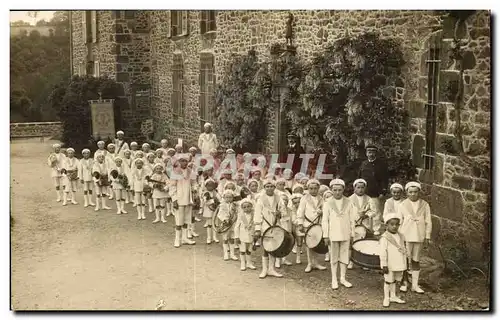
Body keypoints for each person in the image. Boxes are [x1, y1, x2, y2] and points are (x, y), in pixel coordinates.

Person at [398, 181, 432, 294]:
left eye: (415, 192)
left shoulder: (425, 205)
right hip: (406, 236)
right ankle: (404, 282)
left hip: (419, 236)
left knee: (415, 260)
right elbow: (399, 221)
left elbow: (428, 221)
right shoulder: (402, 205)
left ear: (419, 192)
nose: (413, 194)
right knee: (405, 259)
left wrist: (427, 236)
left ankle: (415, 284)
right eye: (410, 192)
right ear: (407, 193)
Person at [322, 179, 355, 290]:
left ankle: (343, 278)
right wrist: (325, 235)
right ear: (331, 190)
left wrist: (352, 234)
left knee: (344, 256)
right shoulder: (327, 203)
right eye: (335, 190)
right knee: (334, 257)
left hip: (345, 233)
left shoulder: (348, 202)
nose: (337, 192)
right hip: (333, 234)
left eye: (339, 190)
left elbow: (352, 220)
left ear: (343, 190)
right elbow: (324, 220)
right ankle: (334, 279)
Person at [254, 179, 287, 279]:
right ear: (264, 188)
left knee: (274, 247)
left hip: (276, 225)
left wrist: (280, 214)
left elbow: (284, 211)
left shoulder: (279, 198)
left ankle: (271, 269)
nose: (269, 188)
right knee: (266, 248)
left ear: (274, 187)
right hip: (265, 225)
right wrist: (257, 228)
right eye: (267, 186)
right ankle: (264, 269)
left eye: (271, 186)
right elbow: (257, 213)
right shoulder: (261, 199)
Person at [296, 179, 327, 273]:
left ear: (318, 188)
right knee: (309, 244)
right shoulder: (304, 198)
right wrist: (300, 223)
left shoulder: (322, 198)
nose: (313, 190)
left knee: (316, 243)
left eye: (315, 188)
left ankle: (316, 263)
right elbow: (300, 211)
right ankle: (310, 263)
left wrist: (322, 212)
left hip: (318, 224)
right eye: (311, 188)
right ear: (308, 189)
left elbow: (326, 210)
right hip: (307, 224)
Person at [357, 145, 389, 236]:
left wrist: (383, 191)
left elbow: (384, 179)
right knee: (364, 210)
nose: (370, 154)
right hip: (364, 192)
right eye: (369, 152)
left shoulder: (381, 165)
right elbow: (359, 177)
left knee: (376, 211)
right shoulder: (364, 164)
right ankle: (365, 227)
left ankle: (376, 228)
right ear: (366, 153)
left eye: (372, 152)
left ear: (375, 153)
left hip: (375, 192)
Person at [348, 179, 378, 269]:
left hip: (365, 224)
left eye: (362, 187)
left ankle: (364, 261)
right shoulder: (350, 199)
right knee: (352, 242)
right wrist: (356, 216)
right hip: (354, 223)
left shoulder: (369, 199)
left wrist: (366, 215)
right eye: (358, 187)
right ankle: (351, 261)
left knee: (365, 241)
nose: (360, 190)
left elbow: (374, 211)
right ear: (354, 188)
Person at [380, 212, 408, 307]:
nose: (394, 226)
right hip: (390, 264)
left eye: (396, 224)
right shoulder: (385, 238)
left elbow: (403, 249)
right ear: (387, 225)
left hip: (398, 263)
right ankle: (386, 297)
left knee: (395, 280)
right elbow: (383, 252)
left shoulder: (401, 236)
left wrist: (404, 264)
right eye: (392, 224)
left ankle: (393, 296)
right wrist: (384, 264)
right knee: (388, 280)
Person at [170, 155, 197, 247]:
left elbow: (194, 183)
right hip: (179, 198)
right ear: (178, 162)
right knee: (179, 220)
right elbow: (172, 186)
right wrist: (174, 199)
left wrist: (195, 190)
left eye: (185, 161)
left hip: (188, 198)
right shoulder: (175, 172)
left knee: (186, 219)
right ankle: (177, 239)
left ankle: (185, 238)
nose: (184, 163)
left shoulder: (191, 171)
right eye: (182, 161)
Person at [234, 198, 257, 271]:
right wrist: (236, 237)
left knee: (249, 250)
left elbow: (256, 224)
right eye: (244, 207)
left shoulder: (254, 215)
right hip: (242, 236)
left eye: (248, 206)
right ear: (242, 208)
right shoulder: (241, 216)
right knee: (242, 250)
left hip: (251, 235)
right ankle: (243, 263)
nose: (246, 208)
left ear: (251, 206)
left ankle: (249, 263)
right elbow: (236, 227)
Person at [218, 189, 239, 261]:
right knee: (225, 238)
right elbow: (220, 214)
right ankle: (226, 253)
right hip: (225, 224)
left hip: (233, 223)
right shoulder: (222, 205)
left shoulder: (235, 205)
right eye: (226, 197)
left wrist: (234, 219)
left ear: (233, 198)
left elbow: (237, 213)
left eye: (230, 197)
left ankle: (232, 254)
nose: (228, 199)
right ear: (224, 198)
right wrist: (225, 220)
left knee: (232, 238)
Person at [275, 192, 294, 268]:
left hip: (287, 229)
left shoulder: (290, 210)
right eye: (283, 200)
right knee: (278, 245)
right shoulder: (277, 211)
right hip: (279, 229)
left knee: (286, 245)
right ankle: (277, 260)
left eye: (286, 200)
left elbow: (291, 220)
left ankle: (284, 259)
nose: (284, 202)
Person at [200, 178, 220, 244]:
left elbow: (219, 199)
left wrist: (218, 201)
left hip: (215, 210)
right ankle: (209, 237)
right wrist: (213, 201)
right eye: (209, 186)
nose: (210, 187)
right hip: (208, 210)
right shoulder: (205, 193)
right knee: (209, 224)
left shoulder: (215, 192)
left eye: (212, 185)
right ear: (206, 186)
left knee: (214, 224)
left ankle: (215, 237)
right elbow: (205, 201)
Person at [290, 192, 303, 263]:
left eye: (299, 202)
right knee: (299, 242)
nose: (297, 204)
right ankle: (298, 257)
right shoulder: (293, 210)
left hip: (306, 226)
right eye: (295, 203)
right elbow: (293, 220)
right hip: (298, 227)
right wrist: (299, 222)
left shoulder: (305, 208)